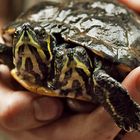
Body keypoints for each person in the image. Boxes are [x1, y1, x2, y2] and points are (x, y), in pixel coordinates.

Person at [0, 0, 140, 140]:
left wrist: (128, 114)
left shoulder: (98, 76)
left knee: (100, 77)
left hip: (112, 26)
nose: (25, 36)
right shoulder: (11, 53)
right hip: (47, 12)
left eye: (38, 36)